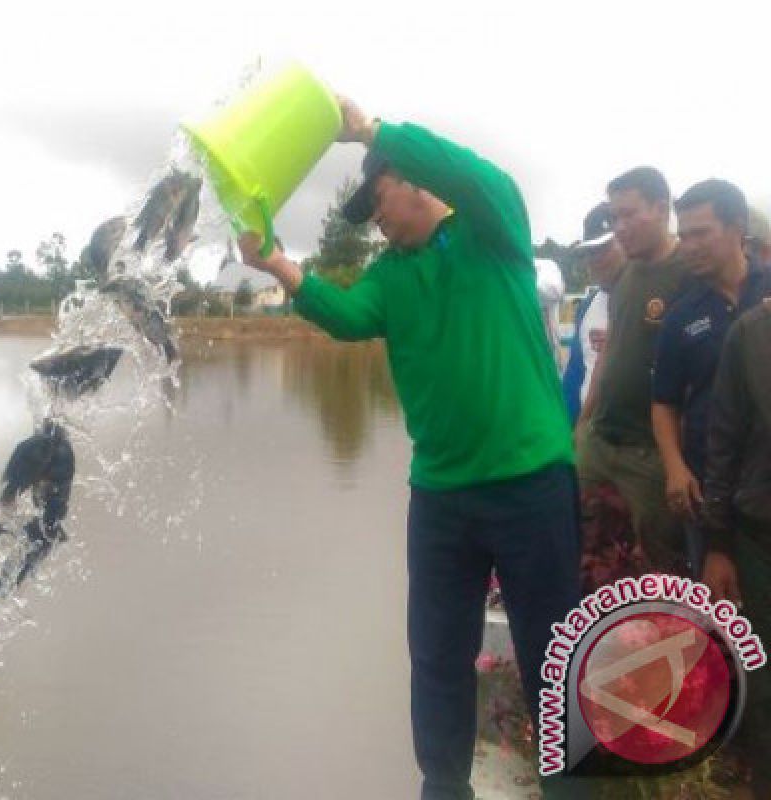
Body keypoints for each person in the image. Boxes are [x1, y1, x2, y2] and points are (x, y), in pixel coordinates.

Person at [238, 98, 583, 800]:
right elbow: (348, 316)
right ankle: (444, 786)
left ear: (413, 181)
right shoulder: (390, 276)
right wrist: (279, 264)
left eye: (381, 200)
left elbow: (472, 174)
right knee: (436, 655)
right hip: (442, 495)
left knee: (555, 650)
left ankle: (569, 787)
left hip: (531, 483)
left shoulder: (495, 233)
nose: (379, 220)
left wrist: (370, 131)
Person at [652, 179, 771, 578]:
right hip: (710, 487)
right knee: (723, 616)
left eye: (700, 233)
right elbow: (664, 401)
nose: (689, 246)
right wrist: (674, 467)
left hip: (765, 478)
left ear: (737, 227)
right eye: (683, 236)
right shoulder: (681, 315)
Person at [576, 167, 689, 574]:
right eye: (614, 217)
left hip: (650, 452)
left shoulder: (689, 272)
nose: (619, 228)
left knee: (661, 564)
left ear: (661, 209)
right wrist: (583, 424)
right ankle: (594, 632)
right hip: (600, 439)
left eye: (628, 215)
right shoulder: (625, 276)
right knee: (582, 543)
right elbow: (609, 356)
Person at [701, 299, 771, 797]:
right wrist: (718, 544)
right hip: (759, 533)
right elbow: (721, 442)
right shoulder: (751, 335)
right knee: (766, 681)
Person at [562, 203, 627, 422]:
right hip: (593, 437)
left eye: (603, 249)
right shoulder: (588, 306)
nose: (594, 260)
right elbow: (575, 375)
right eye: (589, 252)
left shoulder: (654, 298)